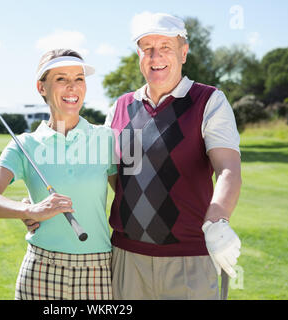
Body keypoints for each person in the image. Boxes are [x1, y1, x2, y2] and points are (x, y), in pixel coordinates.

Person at [104, 12, 242, 300]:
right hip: (127, 258)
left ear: (184, 52)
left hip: (190, 258)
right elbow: (113, 176)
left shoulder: (209, 101)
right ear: (139, 55)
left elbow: (228, 168)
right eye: (147, 48)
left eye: (166, 47)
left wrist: (218, 220)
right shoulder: (119, 107)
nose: (156, 57)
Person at [0, 49, 117, 300]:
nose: (72, 87)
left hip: (98, 268)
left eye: (79, 78)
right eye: (61, 79)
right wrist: (28, 210)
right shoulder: (25, 144)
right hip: (41, 269)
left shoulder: (105, 138)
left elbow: (129, 199)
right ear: (42, 87)